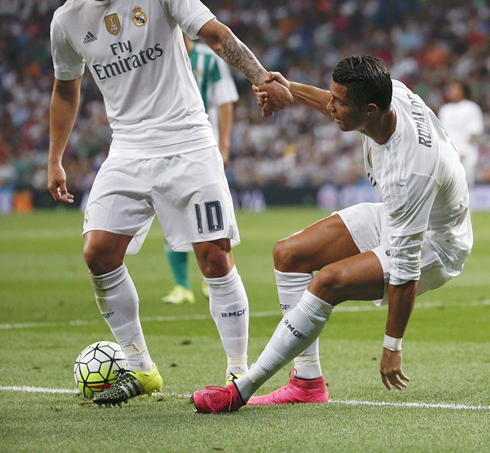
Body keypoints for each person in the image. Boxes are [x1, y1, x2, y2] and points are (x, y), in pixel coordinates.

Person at [47, 0, 292, 406]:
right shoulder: (67, 20)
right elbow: (65, 90)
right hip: (129, 149)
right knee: (98, 254)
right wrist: (55, 158)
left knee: (214, 257)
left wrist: (260, 77)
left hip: (188, 143)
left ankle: (237, 376)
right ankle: (141, 370)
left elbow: (216, 35)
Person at [191, 55, 473, 414]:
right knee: (289, 254)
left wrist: (392, 346)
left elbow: (406, 270)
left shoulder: (411, 172)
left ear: (370, 110)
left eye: (340, 102)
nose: (331, 105)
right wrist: (286, 88)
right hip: (401, 216)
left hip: (436, 243)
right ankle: (306, 383)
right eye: (333, 95)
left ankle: (242, 389)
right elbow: (330, 103)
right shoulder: (390, 93)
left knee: (327, 282)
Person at [162, 33, 238, 305]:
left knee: (212, 216)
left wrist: (225, 145)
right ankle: (182, 286)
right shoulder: (158, 55)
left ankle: (215, 278)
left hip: (204, 148)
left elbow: (225, 101)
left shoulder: (207, 58)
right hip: (168, 149)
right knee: (172, 214)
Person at [438, 81, 484, 191]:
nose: (451, 92)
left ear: (463, 91)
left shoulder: (471, 108)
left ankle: (468, 208)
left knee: (466, 186)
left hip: (466, 153)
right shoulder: (445, 110)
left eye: (455, 89)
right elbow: (441, 133)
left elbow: (474, 131)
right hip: (448, 154)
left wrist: (465, 150)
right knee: (449, 187)